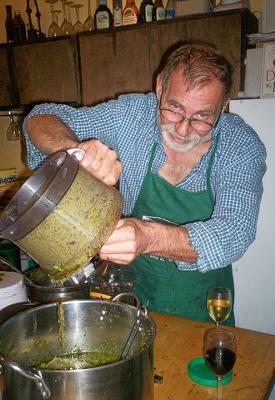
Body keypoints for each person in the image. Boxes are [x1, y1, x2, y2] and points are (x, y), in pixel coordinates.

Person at [23, 41, 266, 324]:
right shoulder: (132, 116)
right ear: (160, 87)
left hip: (203, 311)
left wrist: (149, 237)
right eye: (174, 109)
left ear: (223, 106)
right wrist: (75, 152)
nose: (184, 129)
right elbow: (39, 119)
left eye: (202, 117)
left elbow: (234, 232)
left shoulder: (240, 146)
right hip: (130, 302)